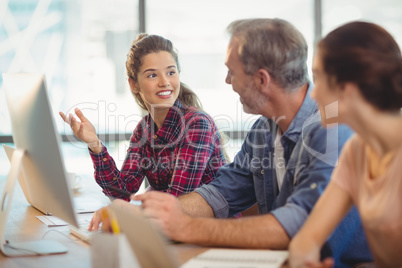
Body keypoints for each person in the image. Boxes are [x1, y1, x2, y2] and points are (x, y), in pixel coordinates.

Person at [125, 19, 372, 267]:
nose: (227, 80)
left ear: (261, 80)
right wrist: (147, 216)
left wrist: (187, 227)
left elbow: (298, 222)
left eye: (232, 71)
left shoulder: (332, 128)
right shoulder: (263, 132)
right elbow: (220, 193)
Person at [289, 21, 402, 268]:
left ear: (345, 88)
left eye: (318, 78)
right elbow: (305, 241)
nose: (314, 94)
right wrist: (304, 260)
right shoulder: (357, 151)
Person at [60, 34, 227, 200]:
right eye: (152, 75)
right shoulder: (144, 129)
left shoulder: (197, 124)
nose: (165, 82)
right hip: (170, 223)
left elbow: (176, 201)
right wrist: (94, 144)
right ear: (134, 84)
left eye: (171, 72)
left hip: (210, 225)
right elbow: (122, 191)